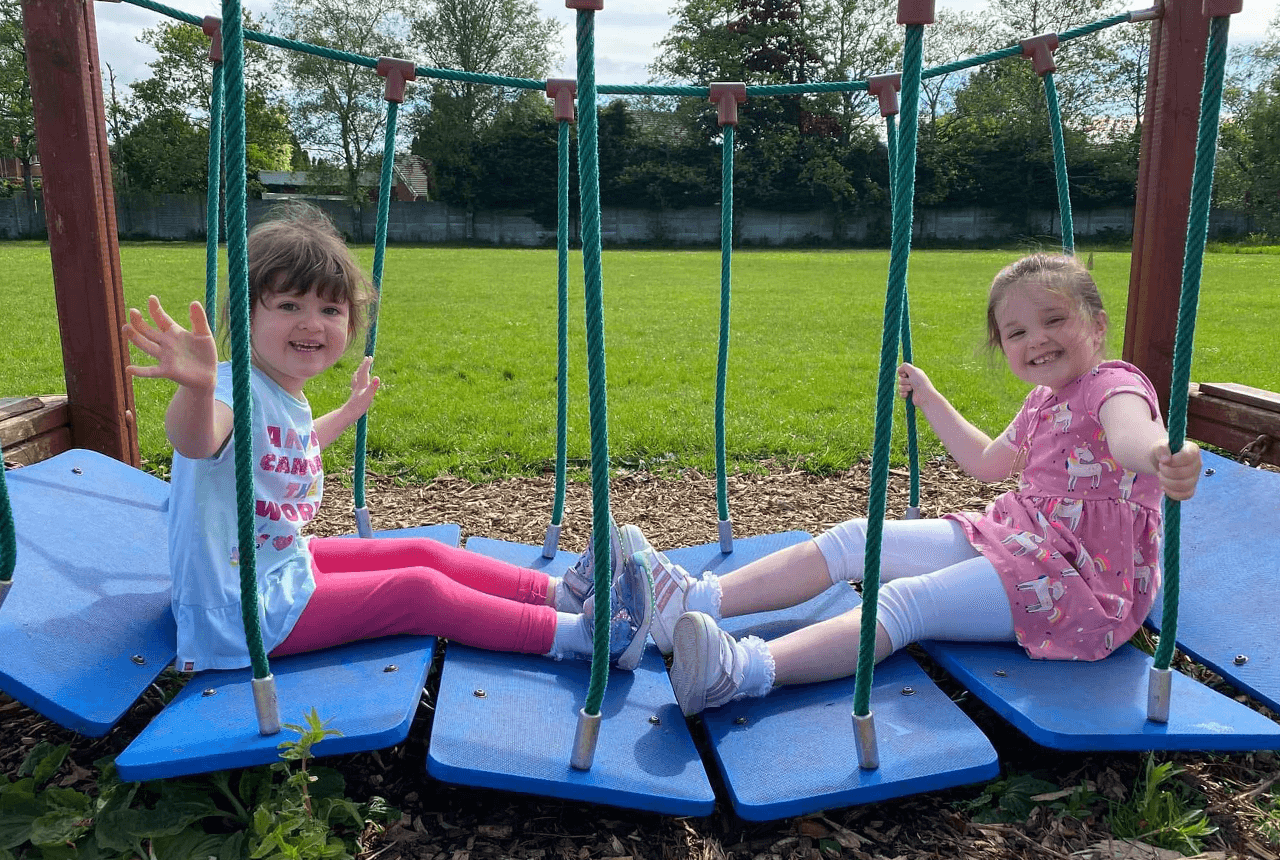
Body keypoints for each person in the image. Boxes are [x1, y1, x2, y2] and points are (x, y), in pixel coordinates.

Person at [634, 253, 1203, 715]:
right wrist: (929, 397)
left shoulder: (1114, 384)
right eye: (1016, 331)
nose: (1036, 340)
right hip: (1020, 539)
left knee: (907, 602)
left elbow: (1131, 434)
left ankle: (744, 671)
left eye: (1055, 320)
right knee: (860, 537)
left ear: (1097, 326)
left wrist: (1161, 454)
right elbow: (985, 461)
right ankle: (695, 599)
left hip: (1082, 581)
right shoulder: (1042, 402)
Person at [123, 202, 652, 674]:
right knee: (417, 592)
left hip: (279, 564)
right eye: (288, 306)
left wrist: (348, 413)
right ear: (246, 314)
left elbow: (292, 445)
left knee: (424, 550)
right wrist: (194, 388)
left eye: (330, 310)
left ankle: (560, 592)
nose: (312, 323)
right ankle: (580, 640)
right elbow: (199, 442)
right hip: (239, 612)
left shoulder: (280, 389)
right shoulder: (229, 389)